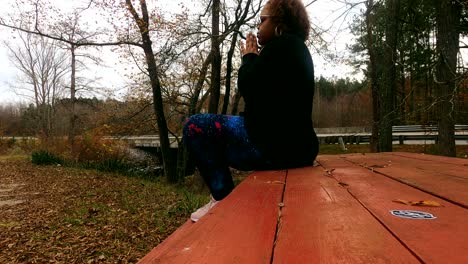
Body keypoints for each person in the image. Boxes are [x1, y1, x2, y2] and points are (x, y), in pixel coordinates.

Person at [183, 0, 319, 222]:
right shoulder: (295, 49)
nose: (258, 26)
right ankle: (222, 198)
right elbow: (268, 102)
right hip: (298, 150)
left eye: (263, 20)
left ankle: (222, 199)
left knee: (195, 126)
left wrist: (248, 57)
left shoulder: (280, 45)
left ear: (279, 23)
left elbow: (249, 87)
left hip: (272, 148)